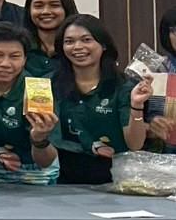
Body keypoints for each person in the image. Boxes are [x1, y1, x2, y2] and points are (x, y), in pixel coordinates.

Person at [53, 14, 150, 185]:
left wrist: (136, 105)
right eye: (69, 41)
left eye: (86, 40)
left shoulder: (124, 86)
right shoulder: (50, 84)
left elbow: (135, 144)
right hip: (65, 181)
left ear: (103, 45)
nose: (77, 47)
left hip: (117, 179)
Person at [0, 22, 60, 185]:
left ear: (24, 59)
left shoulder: (37, 90)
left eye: (15, 56)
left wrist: (39, 139)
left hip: (34, 172)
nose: (5, 64)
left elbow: (46, 161)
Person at [22, 0, 78, 79]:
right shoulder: (21, 48)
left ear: (67, 8)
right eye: (38, 6)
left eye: (54, 5)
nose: (46, 11)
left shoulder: (78, 48)